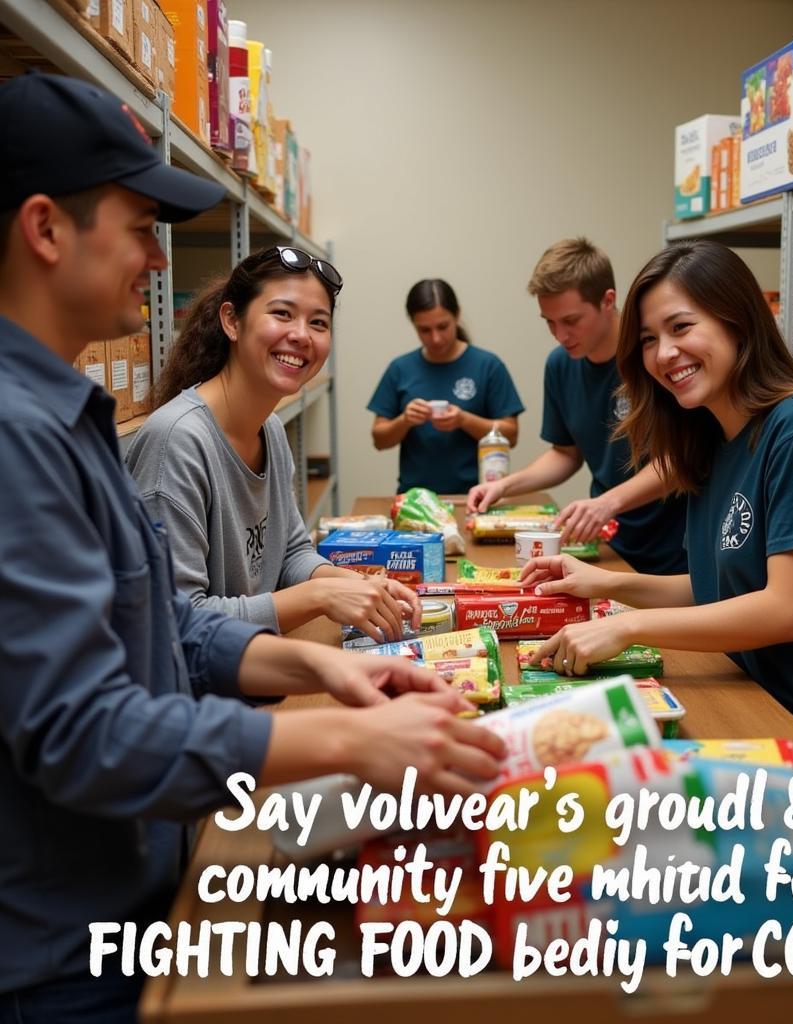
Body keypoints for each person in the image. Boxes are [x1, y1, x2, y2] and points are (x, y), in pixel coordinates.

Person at [0, 72, 504, 1023]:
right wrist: (346, 736)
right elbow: (82, 729)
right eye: (140, 225)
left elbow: (168, 630)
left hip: (136, 880)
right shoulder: (18, 435)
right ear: (45, 228)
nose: (159, 259)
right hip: (60, 950)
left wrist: (325, 668)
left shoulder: (70, 416)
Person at [520, 240, 793, 762]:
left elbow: (787, 610)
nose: (664, 354)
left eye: (681, 327)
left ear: (736, 320)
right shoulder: (713, 440)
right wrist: (608, 584)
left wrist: (625, 625)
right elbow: (726, 586)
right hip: (757, 702)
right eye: (650, 339)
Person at [126, 247, 421, 640]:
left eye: (318, 322)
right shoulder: (177, 441)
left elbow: (290, 553)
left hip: (252, 667)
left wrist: (356, 585)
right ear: (232, 321)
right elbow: (177, 623)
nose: (300, 335)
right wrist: (319, 596)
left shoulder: (271, 430)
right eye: (282, 314)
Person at [467, 238, 688, 574]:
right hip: (609, 545)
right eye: (549, 322)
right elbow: (566, 452)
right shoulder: (560, 365)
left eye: (570, 320)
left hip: (675, 551)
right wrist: (504, 486)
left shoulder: (654, 356)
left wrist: (608, 502)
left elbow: (680, 457)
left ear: (607, 300)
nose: (560, 334)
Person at [368, 278, 524, 494]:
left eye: (443, 326)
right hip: (414, 501)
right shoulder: (400, 368)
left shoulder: (488, 366)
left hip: (477, 497)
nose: (436, 338)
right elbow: (379, 439)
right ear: (413, 324)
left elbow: (511, 435)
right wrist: (405, 421)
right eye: (424, 330)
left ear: (457, 315)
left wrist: (464, 420)